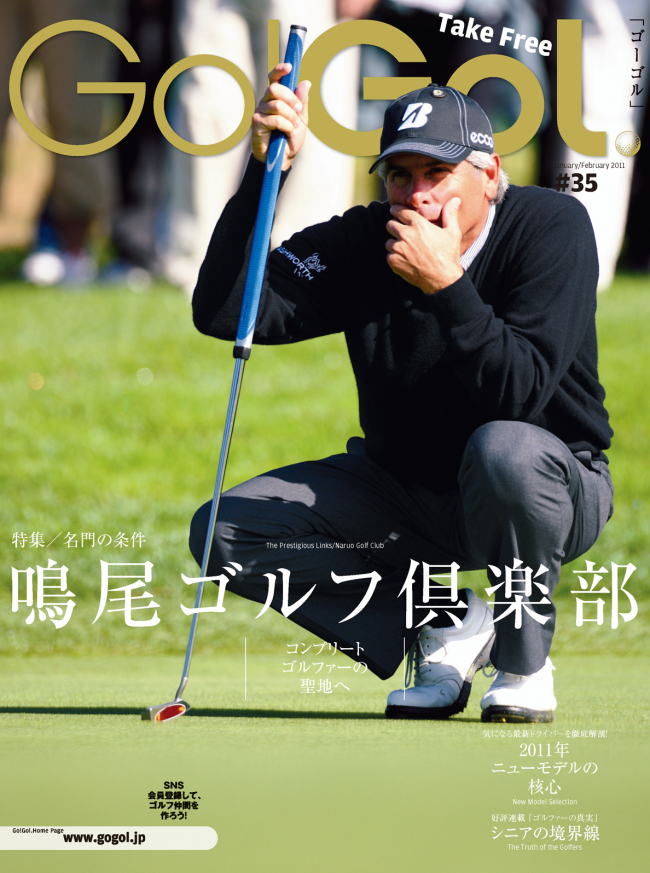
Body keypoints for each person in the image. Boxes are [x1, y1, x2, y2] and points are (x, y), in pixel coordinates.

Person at [189, 66, 614, 723]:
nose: (416, 195)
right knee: (226, 530)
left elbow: (519, 392)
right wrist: (262, 175)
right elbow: (227, 312)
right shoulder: (362, 241)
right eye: (399, 175)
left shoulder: (551, 227)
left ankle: (524, 665)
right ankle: (448, 622)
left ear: (490, 174)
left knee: (503, 451)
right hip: (406, 494)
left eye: (437, 173)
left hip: (548, 485)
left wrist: (446, 286)